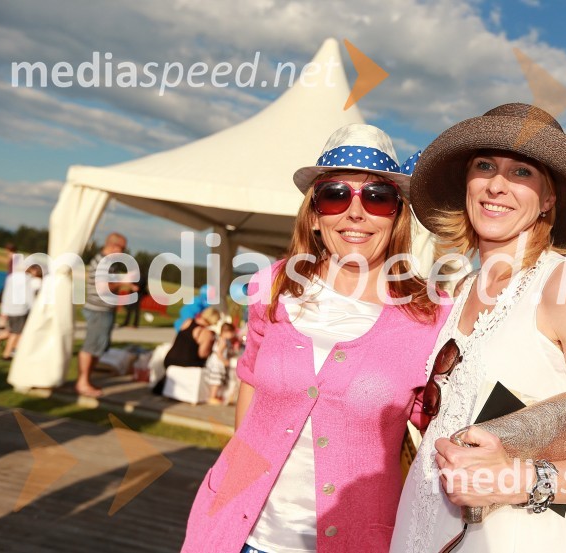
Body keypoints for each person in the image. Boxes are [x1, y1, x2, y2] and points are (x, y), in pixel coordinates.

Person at [391, 103, 566, 552]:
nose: (496, 184)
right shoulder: (459, 290)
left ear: (549, 198)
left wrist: (516, 480)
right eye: (485, 166)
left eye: (522, 173)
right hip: (425, 529)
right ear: (467, 183)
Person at [181, 124, 449, 553]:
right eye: (336, 195)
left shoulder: (431, 315)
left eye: (377, 198)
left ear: (397, 214)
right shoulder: (273, 284)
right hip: (237, 533)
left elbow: (443, 424)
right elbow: (250, 388)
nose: (355, 213)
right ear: (315, 213)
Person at [77, 232, 138, 397]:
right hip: (98, 311)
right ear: (114, 246)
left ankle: (86, 380)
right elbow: (103, 288)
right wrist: (124, 281)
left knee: (99, 347)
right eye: (123, 248)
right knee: (91, 346)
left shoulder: (108, 263)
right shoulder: (102, 263)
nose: (125, 252)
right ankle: (83, 382)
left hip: (103, 310)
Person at [152, 307, 221, 395]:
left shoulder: (188, 322)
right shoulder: (206, 333)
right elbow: (202, 354)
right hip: (185, 361)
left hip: (169, 358)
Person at [0, 263, 42, 360]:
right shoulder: (29, 280)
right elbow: (29, 297)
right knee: (16, 333)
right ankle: (7, 354)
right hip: (20, 310)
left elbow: (6, 293)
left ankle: (10, 351)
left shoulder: (11, 277)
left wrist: (4, 309)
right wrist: (34, 309)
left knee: (12, 331)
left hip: (10, 309)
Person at [205, 322, 236, 405]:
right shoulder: (224, 342)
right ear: (226, 332)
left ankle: (215, 395)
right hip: (217, 363)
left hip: (214, 361)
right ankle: (212, 396)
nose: (233, 335)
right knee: (216, 381)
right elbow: (219, 353)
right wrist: (225, 361)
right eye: (232, 333)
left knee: (216, 380)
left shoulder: (220, 339)